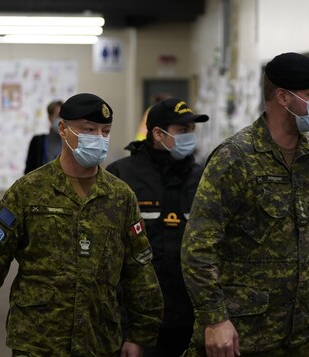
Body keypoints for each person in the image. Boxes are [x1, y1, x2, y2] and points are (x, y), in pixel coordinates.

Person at [0, 93, 164, 357]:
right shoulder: (29, 191)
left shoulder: (120, 196)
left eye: (105, 131)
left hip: (98, 338)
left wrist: (140, 334)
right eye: (89, 130)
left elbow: (139, 269)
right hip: (37, 339)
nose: (99, 138)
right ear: (63, 129)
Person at [181, 52, 309, 356]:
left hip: (301, 332)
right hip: (243, 334)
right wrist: (215, 319)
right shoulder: (235, 157)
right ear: (283, 97)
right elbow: (198, 247)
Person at [107, 98, 209, 357]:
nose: (189, 137)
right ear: (157, 134)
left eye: (191, 131)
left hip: (190, 318)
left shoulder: (202, 178)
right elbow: (109, 256)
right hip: (137, 319)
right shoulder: (122, 175)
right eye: (181, 130)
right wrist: (128, 327)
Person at [24, 100, 63, 174]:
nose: (61, 120)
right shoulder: (37, 141)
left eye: (64, 117)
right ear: (50, 117)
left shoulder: (70, 142)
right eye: (58, 116)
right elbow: (28, 172)